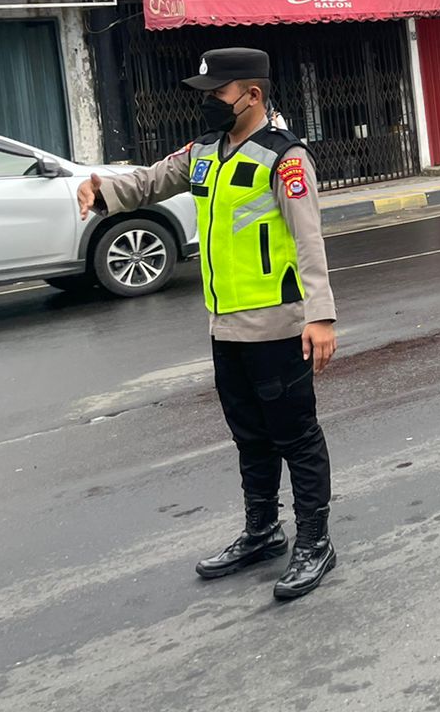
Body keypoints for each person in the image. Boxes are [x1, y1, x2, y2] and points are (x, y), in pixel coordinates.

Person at [76, 48, 340, 600]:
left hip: (277, 325)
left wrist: (320, 316)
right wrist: (100, 190)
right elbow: (150, 181)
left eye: (218, 93)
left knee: (295, 436)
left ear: (252, 95)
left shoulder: (285, 158)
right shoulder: (203, 152)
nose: (209, 103)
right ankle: (263, 531)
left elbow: (309, 240)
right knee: (250, 437)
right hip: (225, 326)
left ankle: (315, 542)